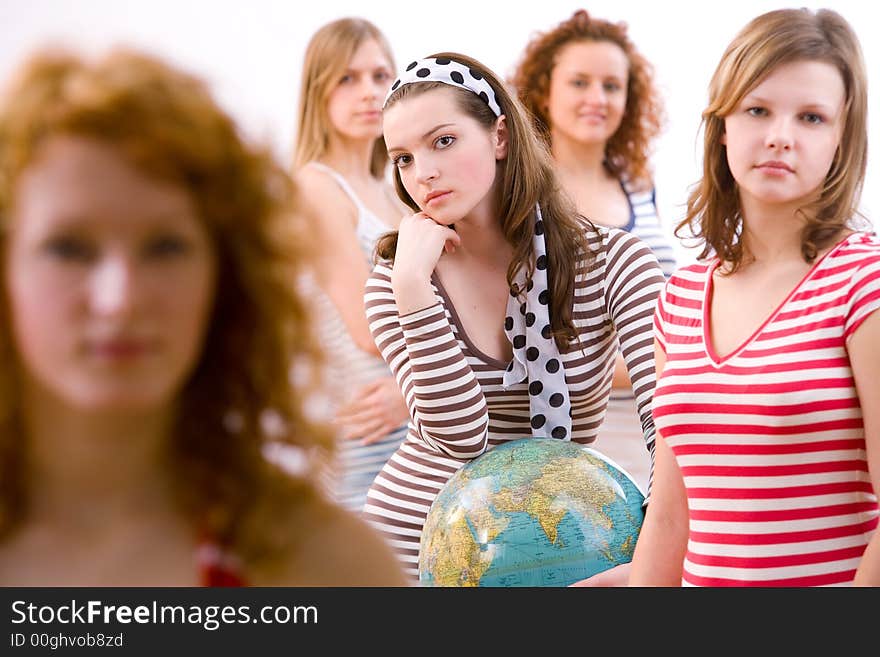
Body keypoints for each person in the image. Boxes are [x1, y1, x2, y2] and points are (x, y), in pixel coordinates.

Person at [0, 47, 408, 586]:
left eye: (165, 247)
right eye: (69, 248)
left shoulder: (329, 567)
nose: (119, 299)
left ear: (229, 279)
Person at [363, 51, 665, 581]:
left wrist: (654, 563)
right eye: (403, 158)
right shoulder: (397, 278)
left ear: (500, 137)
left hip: (560, 555)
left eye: (443, 141)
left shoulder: (617, 262)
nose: (424, 172)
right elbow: (460, 439)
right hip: (407, 553)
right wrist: (412, 288)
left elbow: (674, 430)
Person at [629, 8, 879, 586]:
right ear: (724, 126)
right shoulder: (680, 299)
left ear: (842, 139)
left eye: (812, 117)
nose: (779, 137)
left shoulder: (863, 282)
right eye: (757, 109)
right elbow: (670, 518)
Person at [511, 9, 676, 494]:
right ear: (544, 89)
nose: (596, 99)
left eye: (611, 85)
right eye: (579, 82)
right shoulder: (523, 192)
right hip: (567, 445)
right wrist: (656, 370)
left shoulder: (639, 184)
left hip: (655, 435)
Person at [292, 17, 410, 513]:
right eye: (348, 77)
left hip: (413, 419)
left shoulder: (397, 192)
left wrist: (424, 397)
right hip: (363, 436)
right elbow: (370, 327)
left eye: (381, 76)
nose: (369, 92)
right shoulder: (315, 187)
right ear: (318, 91)